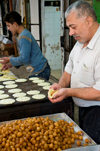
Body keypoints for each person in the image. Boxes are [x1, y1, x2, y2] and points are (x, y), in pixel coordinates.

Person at [48, 0, 100, 144]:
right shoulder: (80, 42)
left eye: (73, 27)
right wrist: (61, 85)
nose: (70, 33)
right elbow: (68, 70)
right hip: (82, 109)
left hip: (97, 113)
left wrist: (68, 92)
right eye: (69, 28)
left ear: (88, 21)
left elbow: (98, 92)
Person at [0, 11, 50, 80]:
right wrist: (10, 64)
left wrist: (9, 59)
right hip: (37, 69)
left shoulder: (24, 37)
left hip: (40, 70)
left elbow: (24, 58)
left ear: (15, 24)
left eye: (8, 25)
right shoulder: (22, 35)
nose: (8, 28)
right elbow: (24, 57)